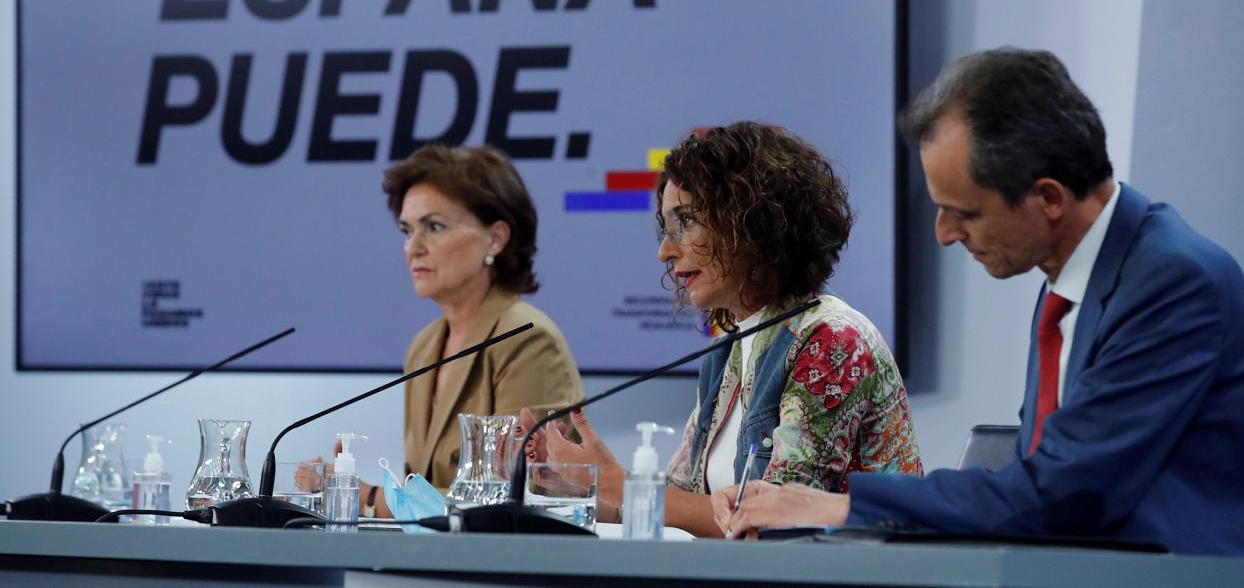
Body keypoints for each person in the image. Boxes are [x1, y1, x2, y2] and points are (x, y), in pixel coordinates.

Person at [713, 48, 1244, 556]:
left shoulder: (1173, 282)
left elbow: (1061, 496)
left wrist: (841, 506)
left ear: (1048, 198)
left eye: (963, 213)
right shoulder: (1071, 281)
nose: (944, 234)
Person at [523, 122, 923, 538]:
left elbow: (773, 524)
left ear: (757, 224)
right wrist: (574, 487)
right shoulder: (728, 347)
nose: (665, 250)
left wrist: (621, 485)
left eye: (687, 221)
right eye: (666, 226)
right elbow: (681, 501)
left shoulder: (834, 342)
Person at [316, 145, 585, 518]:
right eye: (407, 231)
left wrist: (370, 497)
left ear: (495, 239)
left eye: (435, 227)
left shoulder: (528, 340)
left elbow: (523, 496)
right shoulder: (424, 346)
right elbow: (423, 484)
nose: (414, 248)